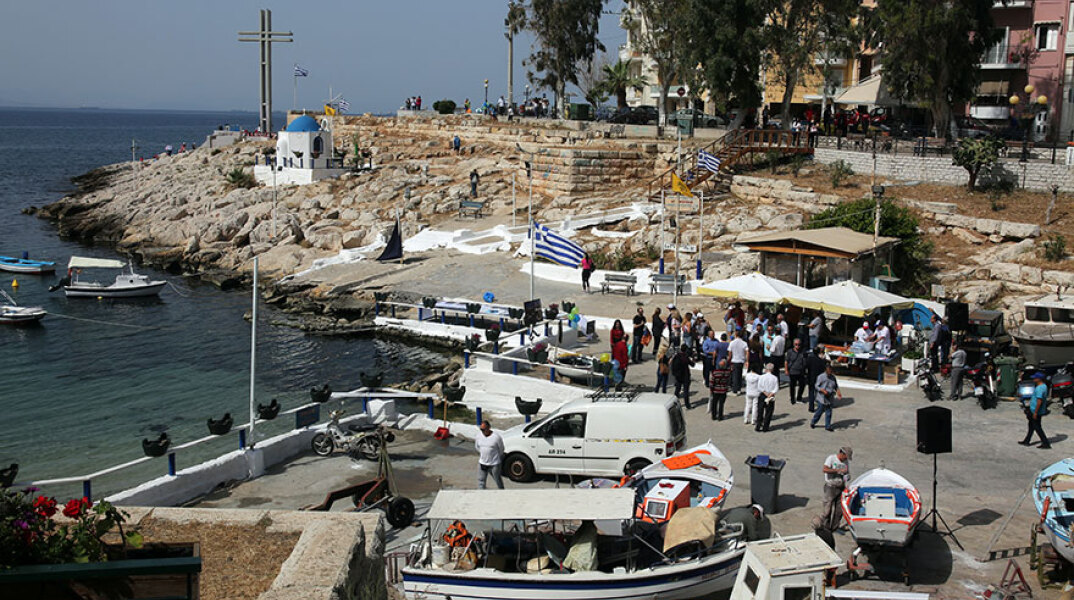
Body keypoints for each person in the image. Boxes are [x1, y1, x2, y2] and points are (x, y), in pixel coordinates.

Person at [821, 447, 852, 530]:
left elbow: (847, 473)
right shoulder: (831, 458)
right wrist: (837, 470)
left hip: (841, 487)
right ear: (842, 454)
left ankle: (834, 528)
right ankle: (825, 528)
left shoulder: (845, 462)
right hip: (830, 487)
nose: (846, 459)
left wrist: (847, 478)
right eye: (845, 457)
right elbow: (825, 469)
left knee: (839, 510)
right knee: (827, 510)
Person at [1020, 372, 1051, 449]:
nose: (1033, 379)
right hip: (1035, 410)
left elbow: (1039, 401)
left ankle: (1045, 443)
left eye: (1035, 378)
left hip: (1035, 411)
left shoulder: (1040, 388)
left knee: (1037, 427)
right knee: (1031, 425)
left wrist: (1035, 412)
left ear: (1039, 379)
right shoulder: (1043, 386)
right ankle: (1027, 441)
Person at [811, 363, 842, 431]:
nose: (830, 373)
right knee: (820, 411)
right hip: (822, 397)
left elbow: (835, 386)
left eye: (830, 371)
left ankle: (827, 426)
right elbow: (816, 386)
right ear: (825, 371)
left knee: (829, 412)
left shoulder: (833, 377)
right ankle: (813, 422)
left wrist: (838, 392)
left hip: (830, 397)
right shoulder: (821, 377)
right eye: (828, 371)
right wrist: (822, 390)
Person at [475, 420, 505, 489]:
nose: (482, 431)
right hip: (482, 463)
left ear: (489, 428)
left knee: (497, 479)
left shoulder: (496, 437)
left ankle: (502, 492)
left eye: (484, 429)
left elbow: (501, 449)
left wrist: (495, 457)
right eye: (481, 429)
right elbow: (477, 447)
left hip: (494, 464)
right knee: (481, 481)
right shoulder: (478, 436)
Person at [757, 364, 779, 432]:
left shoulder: (761, 377)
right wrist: (770, 394)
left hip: (763, 394)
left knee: (760, 411)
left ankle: (758, 425)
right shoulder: (775, 378)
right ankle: (765, 427)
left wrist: (765, 393)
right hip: (771, 395)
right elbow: (776, 388)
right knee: (769, 412)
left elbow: (759, 387)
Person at [805, 345, 828, 412]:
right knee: (819, 393)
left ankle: (811, 407)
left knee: (811, 392)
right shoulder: (821, 361)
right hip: (818, 379)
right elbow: (823, 369)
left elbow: (806, 367)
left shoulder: (809, 359)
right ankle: (820, 407)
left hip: (811, 378)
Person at [785, 338, 808, 406]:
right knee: (792, 386)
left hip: (801, 371)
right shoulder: (790, 352)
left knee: (802, 385)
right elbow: (786, 361)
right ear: (793, 345)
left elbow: (805, 361)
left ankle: (799, 398)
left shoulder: (803, 352)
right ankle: (792, 399)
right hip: (792, 371)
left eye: (799, 344)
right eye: (796, 344)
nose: (797, 346)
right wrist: (786, 370)